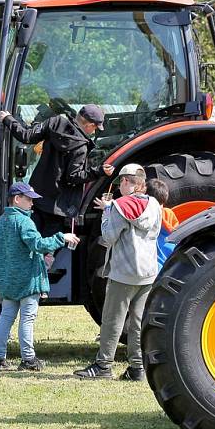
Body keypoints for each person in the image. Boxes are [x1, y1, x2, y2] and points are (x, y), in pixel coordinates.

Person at [75, 163, 161, 381]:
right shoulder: (153, 204)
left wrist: (107, 211)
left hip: (124, 271)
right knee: (137, 322)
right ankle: (137, 368)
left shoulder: (120, 206)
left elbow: (108, 237)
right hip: (148, 271)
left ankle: (103, 365)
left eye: (120, 183)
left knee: (113, 320)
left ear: (125, 181)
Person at [0, 183, 78, 372]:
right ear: (17, 199)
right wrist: (62, 237)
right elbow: (37, 244)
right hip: (28, 279)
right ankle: (28, 359)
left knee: (5, 318)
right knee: (27, 319)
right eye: (28, 199)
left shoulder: (1, 221)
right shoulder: (24, 222)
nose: (32, 203)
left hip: (7, 279)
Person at [0, 104, 114, 236]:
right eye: (95, 128)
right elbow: (74, 176)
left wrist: (8, 118)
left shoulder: (55, 122)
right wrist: (98, 171)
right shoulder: (80, 147)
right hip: (56, 207)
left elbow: (26, 136)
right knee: (48, 248)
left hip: (36, 197)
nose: (94, 132)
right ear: (89, 125)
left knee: (31, 240)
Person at [145, 179, 180, 269]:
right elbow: (175, 229)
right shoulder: (168, 212)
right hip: (169, 262)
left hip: (153, 264)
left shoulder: (146, 215)